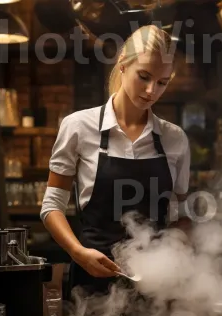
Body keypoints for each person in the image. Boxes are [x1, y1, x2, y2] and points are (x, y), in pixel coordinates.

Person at [40, 25, 191, 299]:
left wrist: (181, 253)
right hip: (91, 285)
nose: (151, 90)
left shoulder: (175, 139)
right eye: (143, 76)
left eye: (162, 82)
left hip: (156, 289)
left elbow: (180, 215)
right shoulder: (77, 127)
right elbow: (51, 207)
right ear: (122, 64)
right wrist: (78, 252)